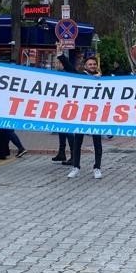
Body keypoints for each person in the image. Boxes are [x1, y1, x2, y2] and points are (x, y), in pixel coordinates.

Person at [56, 46, 103, 179]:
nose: (92, 66)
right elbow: (69, 68)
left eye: (94, 64)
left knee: (97, 142)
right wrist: (61, 55)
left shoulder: (103, 79)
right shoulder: (80, 77)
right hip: (81, 114)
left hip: (97, 115)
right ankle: (76, 167)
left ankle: (97, 168)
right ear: (85, 66)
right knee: (78, 141)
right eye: (90, 64)